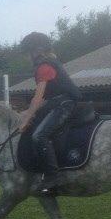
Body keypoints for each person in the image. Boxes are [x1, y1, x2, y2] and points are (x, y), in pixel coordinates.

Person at [18, 31, 82, 189]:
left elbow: (38, 98)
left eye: (27, 53)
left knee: (39, 136)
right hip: (57, 103)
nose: (27, 57)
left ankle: (54, 177)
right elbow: (43, 100)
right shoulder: (49, 63)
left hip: (64, 105)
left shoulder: (44, 67)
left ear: (37, 51)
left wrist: (25, 121)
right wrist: (26, 113)